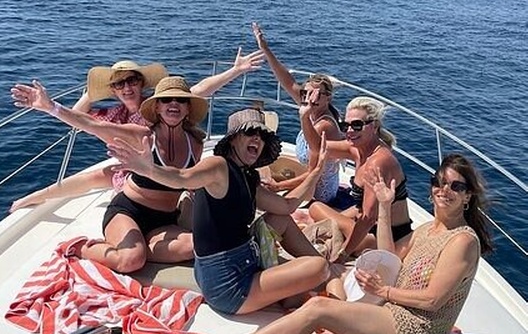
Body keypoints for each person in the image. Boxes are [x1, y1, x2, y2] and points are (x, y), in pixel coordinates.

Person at [189, 153, 491, 334]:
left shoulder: (462, 241)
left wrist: (384, 291)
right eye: (439, 182)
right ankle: (329, 329)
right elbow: (389, 258)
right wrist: (384, 208)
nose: (444, 189)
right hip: (393, 315)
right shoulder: (428, 229)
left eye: (455, 186)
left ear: (468, 196)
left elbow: (433, 300)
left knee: (319, 308)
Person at [108, 108, 331, 315]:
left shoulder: (247, 178)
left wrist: (316, 171)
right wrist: (149, 169)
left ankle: (317, 278)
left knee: (281, 218)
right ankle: (315, 280)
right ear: (233, 139)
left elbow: (287, 206)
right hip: (228, 284)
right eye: (250, 132)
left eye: (262, 136)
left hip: (246, 257)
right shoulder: (217, 167)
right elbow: (182, 178)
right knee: (318, 267)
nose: (257, 139)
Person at [10, 48, 265, 212]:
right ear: (113, 91)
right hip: (135, 170)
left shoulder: (160, 103)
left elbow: (199, 90)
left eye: (131, 80)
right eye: (119, 85)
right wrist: (88, 94)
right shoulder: (114, 115)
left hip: (168, 167)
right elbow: (82, 121)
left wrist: (235, 70)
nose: (126, 88)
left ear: (141, 83)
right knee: (94, 177)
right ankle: (34, 197)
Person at [11, 76, 209, 273]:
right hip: (128, 211)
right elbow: (93, 125)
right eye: (166, 99)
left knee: (197, 245)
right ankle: (80, 247)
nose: (174, 103)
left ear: (188, 108)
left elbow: (190, 183)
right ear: (157, 107)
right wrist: (51, 107)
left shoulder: (195, 144)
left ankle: (138, 247)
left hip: (165, 220)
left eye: (181, 99)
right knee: (130, 262)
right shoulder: (141, 136)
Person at [306, 96, 412, 264]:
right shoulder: (356, 149)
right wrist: (305, 116)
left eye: (357, 125)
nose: (349, 131)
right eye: (345, 126)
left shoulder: (378, 162)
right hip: (365, 222)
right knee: (315, 209)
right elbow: (317, 146)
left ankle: (355, 245)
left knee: (318, 218)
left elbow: (368, 219)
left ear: (374, 126)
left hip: (386, 235)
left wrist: (343, 254)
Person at [251, 22, 344, 206]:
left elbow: (313, 173)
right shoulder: (309, 105)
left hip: (317, 193)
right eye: (306, 93)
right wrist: (265, 48)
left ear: (329, 98)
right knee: (260, 168)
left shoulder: (325, 126)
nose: (311, 98)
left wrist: (277, 187)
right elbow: (285, 79)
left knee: (264, 199)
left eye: (317, 94)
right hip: (307, 177)